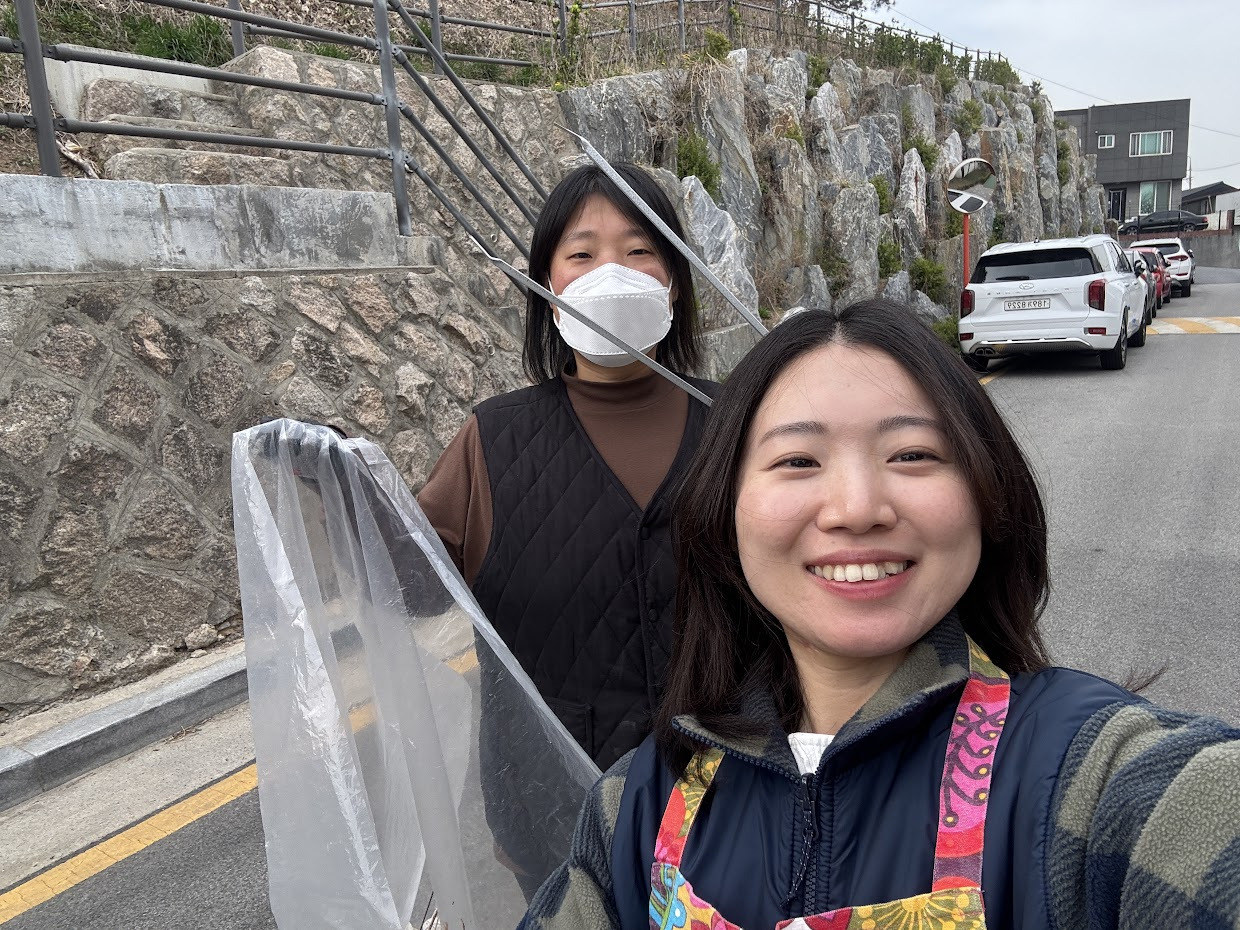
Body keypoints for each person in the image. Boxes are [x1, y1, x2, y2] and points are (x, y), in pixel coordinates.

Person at [518, 301, 1240, 929]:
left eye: (913, 453)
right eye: (798, 461)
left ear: (987, 494)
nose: (857, 508)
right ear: (726, 511)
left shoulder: (1088, 778)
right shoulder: (636, 805)